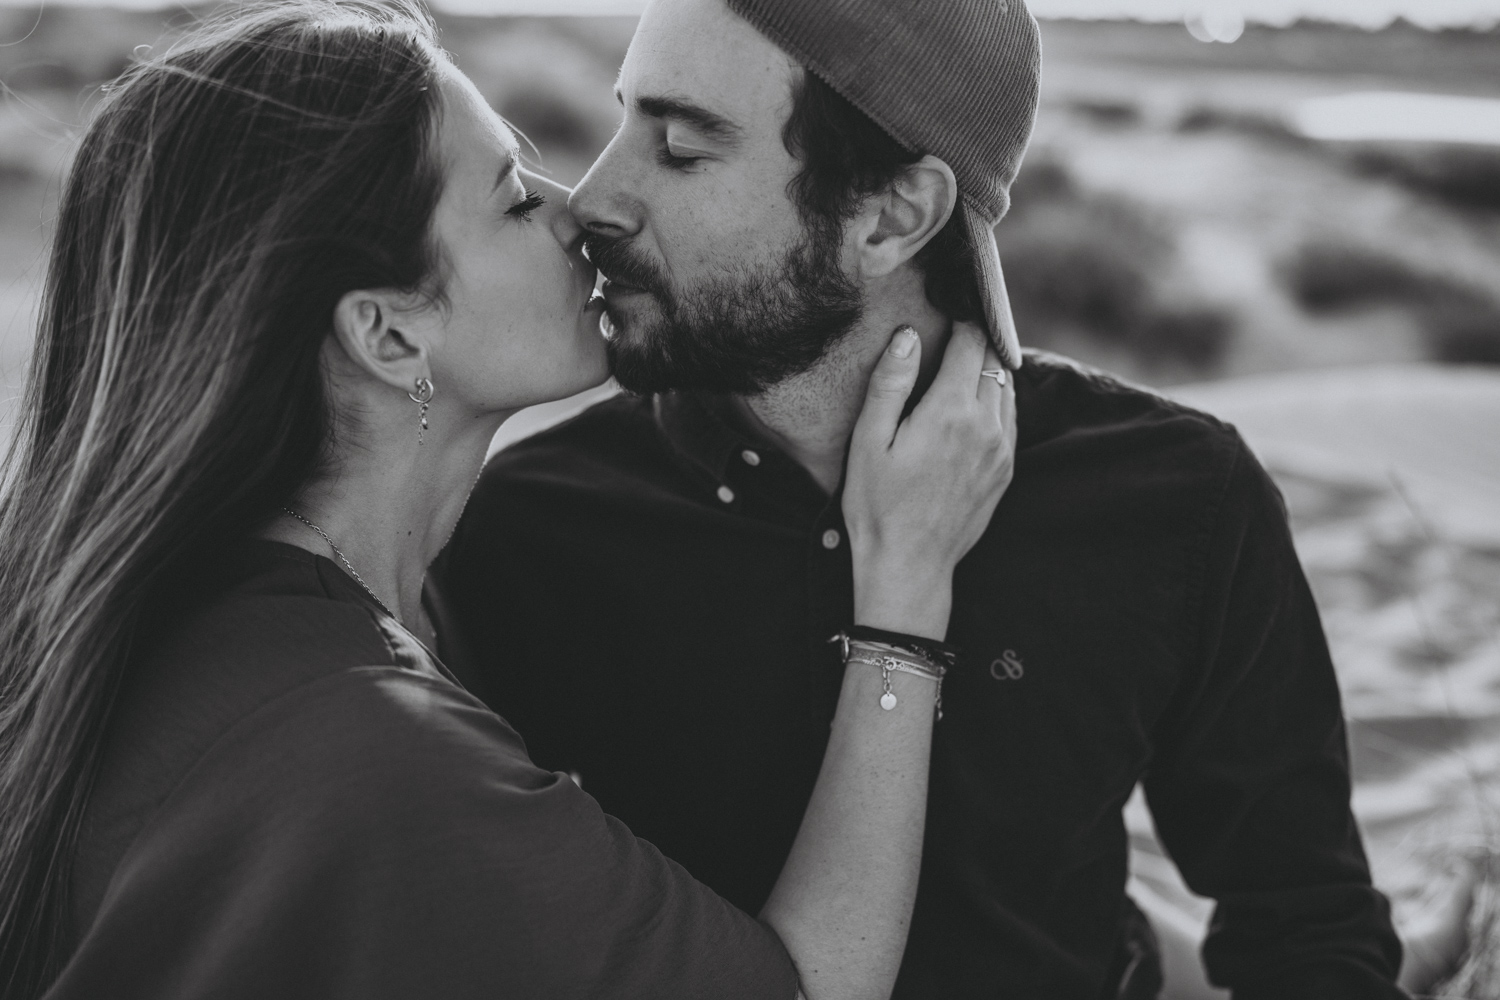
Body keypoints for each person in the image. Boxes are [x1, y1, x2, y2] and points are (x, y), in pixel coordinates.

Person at [0, 3, 1018, 998]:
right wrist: (903, 601)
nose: (575, 205)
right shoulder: (372, 750)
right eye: (512, 200)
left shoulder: (163, 615)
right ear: (389, 334)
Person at [434, 0, 1413, 997]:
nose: (594, 196)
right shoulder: (521, 533)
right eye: (623, 119)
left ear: (890, 218)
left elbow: (1307, 929)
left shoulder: (1177, 500)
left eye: (680, 151)